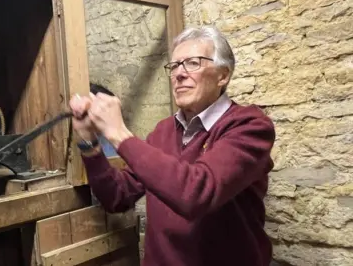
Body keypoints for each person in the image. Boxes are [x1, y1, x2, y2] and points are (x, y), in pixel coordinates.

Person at [69, 25, 276, 266]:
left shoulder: (249, 126)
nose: (179, 73)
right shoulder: (163, 131)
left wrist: (118, 133)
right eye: (175, 65)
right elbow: (117, 196)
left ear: (223, 75)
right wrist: (89, 143)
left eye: (193, 63)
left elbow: (197, 193)